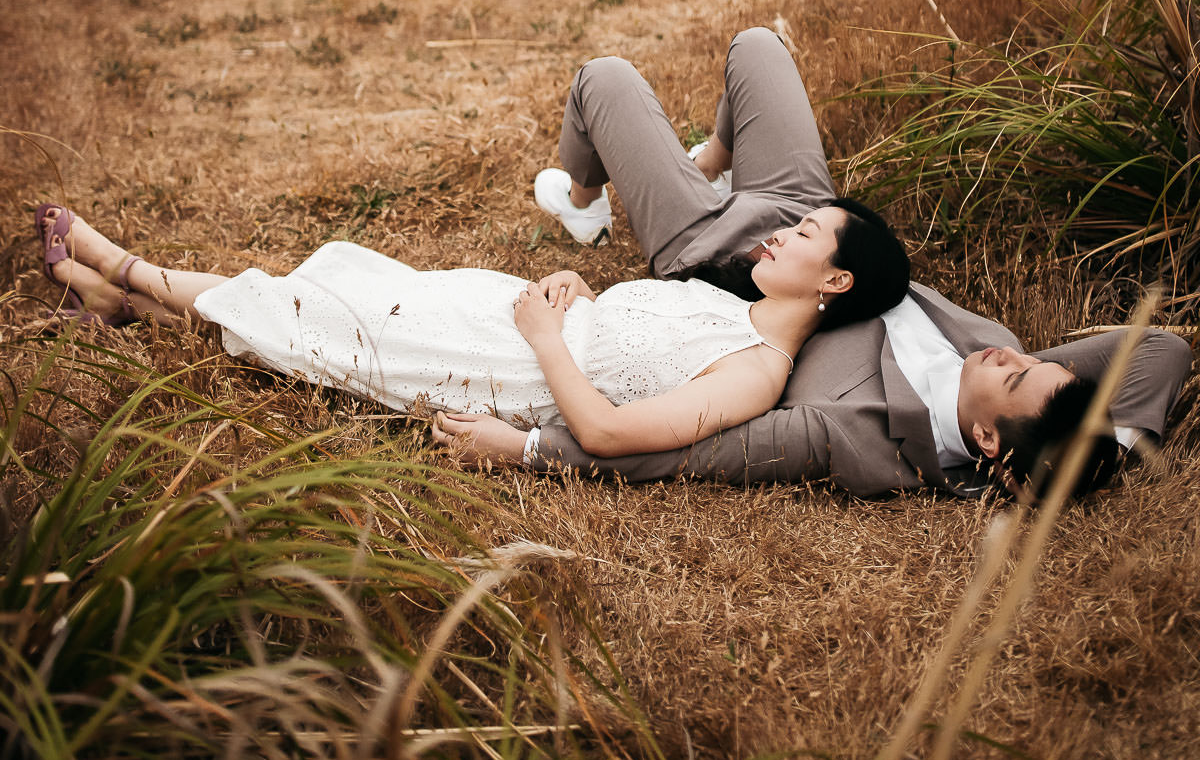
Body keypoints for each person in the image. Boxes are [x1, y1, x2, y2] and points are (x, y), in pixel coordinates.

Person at [432, 28, 1193, 498]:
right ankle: (714, 162)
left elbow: (689, 452)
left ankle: (583, 198)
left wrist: (530, 449)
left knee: (604, 77)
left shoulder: (853, 434)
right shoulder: (998, 368)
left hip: (719, 256)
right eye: (1032, 361)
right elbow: (1162, 348)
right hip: (814, 219)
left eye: (1018, 376)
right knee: (757, 46)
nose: (1011, 353)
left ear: (989, 441)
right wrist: (1101, 452)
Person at [31, 177, 910, 459]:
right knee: (318, 312)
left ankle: (120, 268)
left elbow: (606, 429)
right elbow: (621, 325)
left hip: (504, 364)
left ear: (832, 280)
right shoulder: (725, 300)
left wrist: (541, 341)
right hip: (500, 311)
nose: (779, 233)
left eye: (802, 232)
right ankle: (123, 302)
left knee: (306, 315)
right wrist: (572, 287)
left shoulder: (756, 374)